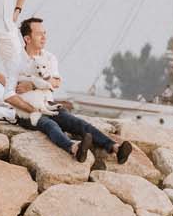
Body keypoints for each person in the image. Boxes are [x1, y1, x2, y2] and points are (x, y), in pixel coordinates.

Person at [10, 17, 133, 164]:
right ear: (27, 39)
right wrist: (33, 106)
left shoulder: (49, 57)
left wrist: (33, 85)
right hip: (27, 111)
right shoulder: (16, 60)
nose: (44, 37)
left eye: (45, 33)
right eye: (39, 34)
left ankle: (115, 148)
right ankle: (74, 148)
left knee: (79, 123)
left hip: (48, 105)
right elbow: (10, 94)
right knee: (50, 125)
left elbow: (55, 82)